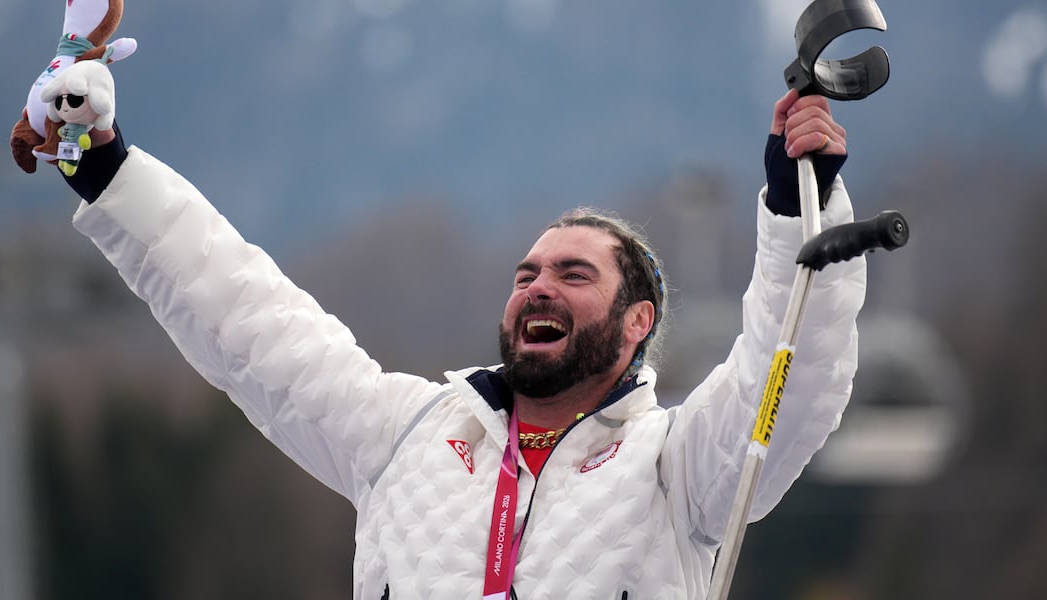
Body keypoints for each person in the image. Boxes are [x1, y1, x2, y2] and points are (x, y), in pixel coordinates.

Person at [49, 81, 864, 598]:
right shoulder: (405, 432)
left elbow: (787, 379)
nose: (537, 286)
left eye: (574, 274)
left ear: (637, 321)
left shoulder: (678, 467)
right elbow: (246, 320)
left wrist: (798, 204)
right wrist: (105, 169)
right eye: (526, 273)